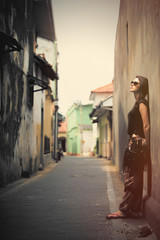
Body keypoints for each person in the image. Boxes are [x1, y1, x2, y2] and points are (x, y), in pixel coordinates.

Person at [107, 75, 150, 219]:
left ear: (141, 86)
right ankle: (133, 209)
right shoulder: (136, 103)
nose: (131, 83)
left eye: (135, 82)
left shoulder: (142, 103)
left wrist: (145, 142)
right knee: (133, 177)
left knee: (132, 178)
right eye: (131, 81)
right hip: (134, 144)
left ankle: (125, 210)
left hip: (138, 144)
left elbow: (146, 125)